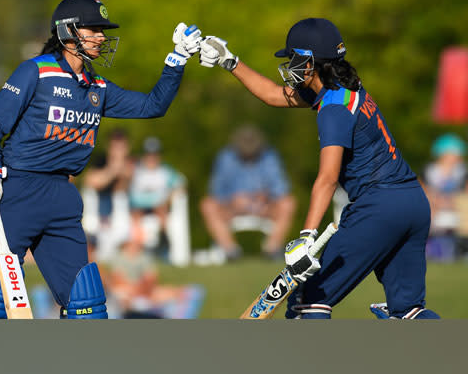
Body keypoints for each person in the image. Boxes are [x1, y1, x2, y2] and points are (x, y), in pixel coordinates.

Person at [0, 0, 203, 319]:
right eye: (93, 29)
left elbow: (153, 106)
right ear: (68, 32)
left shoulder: (97, 86)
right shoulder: (35, 71)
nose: (102, 36)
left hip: (63, 197)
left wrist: (176, 60)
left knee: (86, 302)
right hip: (17, 191)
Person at [198, 18, 440, 319]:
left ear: (311, 63)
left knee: (306, 302)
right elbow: (274, 95)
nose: (289, 66)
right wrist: (229, 61)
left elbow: (327, 179)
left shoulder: (334, 110)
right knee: (409, 311)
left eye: (293, 60)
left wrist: (306, 236)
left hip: (378, 207)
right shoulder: (346, 90)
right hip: (413, 203)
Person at [199, 125, 296, 261]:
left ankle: (272, 249)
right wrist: (233, 200)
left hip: (266, 207)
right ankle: (230, 251)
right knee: (207, 205)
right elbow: (216, 190)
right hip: (231, 208)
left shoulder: (270, 156)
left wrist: (265, 197)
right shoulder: (226, 157)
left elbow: (281, 188)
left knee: (288, 203)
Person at [128, 136, 185, 251]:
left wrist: (169, 198)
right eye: (149, 154)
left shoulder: (165, 171)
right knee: (136, 214)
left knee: (161, 210)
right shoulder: (136, 170)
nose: (152, 158)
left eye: (154, 154)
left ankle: (163, 239)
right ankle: (137, 245)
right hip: (137, 206)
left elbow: (181, 185)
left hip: (159, 206)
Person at [421, 133, 468, 261]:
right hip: (435, 205)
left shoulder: (462, 171)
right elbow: (424, 190)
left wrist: (452, 200)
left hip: (456, 206)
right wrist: (437, 200)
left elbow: (464, 193)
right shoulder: (430, 170)